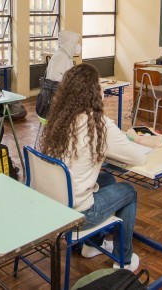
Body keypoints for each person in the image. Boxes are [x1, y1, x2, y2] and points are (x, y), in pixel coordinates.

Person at [41, 63, 146, 272]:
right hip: (79, 214)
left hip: (52, 203)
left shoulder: (59, 119)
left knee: (107, 180)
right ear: (94, 93)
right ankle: (123, 260)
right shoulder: (99, 124)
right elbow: (138, 158)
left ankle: (91, 245)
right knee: (129, 191)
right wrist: (137, 140)